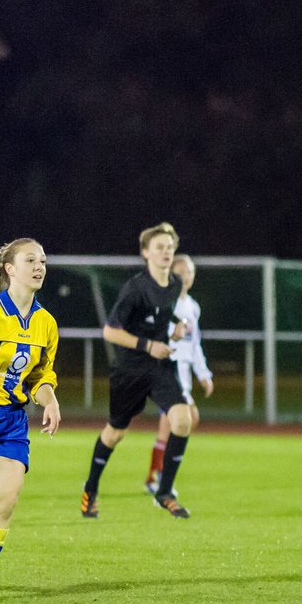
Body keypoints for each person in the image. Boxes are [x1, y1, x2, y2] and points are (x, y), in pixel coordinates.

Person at [80, 222, 193, 520]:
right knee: (116, 432)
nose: (166, 252)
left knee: (182, 419)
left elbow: (162, 318)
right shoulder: (135, 289)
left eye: (170, 247)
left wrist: (176, 329)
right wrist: (147, 345)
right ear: (146, 253)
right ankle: (90, 487)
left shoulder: (176, 284)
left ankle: (164, 491)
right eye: (159, 247)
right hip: (130, 369)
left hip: (159, 366)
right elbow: (109, 331)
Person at [0, 239, 61, 604]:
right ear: (9, 269)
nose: (39, 266)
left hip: (11, 422)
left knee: (4, 505)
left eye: (42, 260)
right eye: (30, 260)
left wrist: (50, 398)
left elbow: (41, 375)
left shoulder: (46, 323)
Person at [145, 254, 214, 494]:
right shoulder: (165, 302)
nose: (186, 277)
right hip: (167, 370)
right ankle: (160, 479)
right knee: (178, 420)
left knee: (183, 422)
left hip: (183, 372)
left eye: (190, 273)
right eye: (181, 273)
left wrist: (204, 374)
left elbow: (195, 344)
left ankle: (155, 475)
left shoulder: (192, 306)